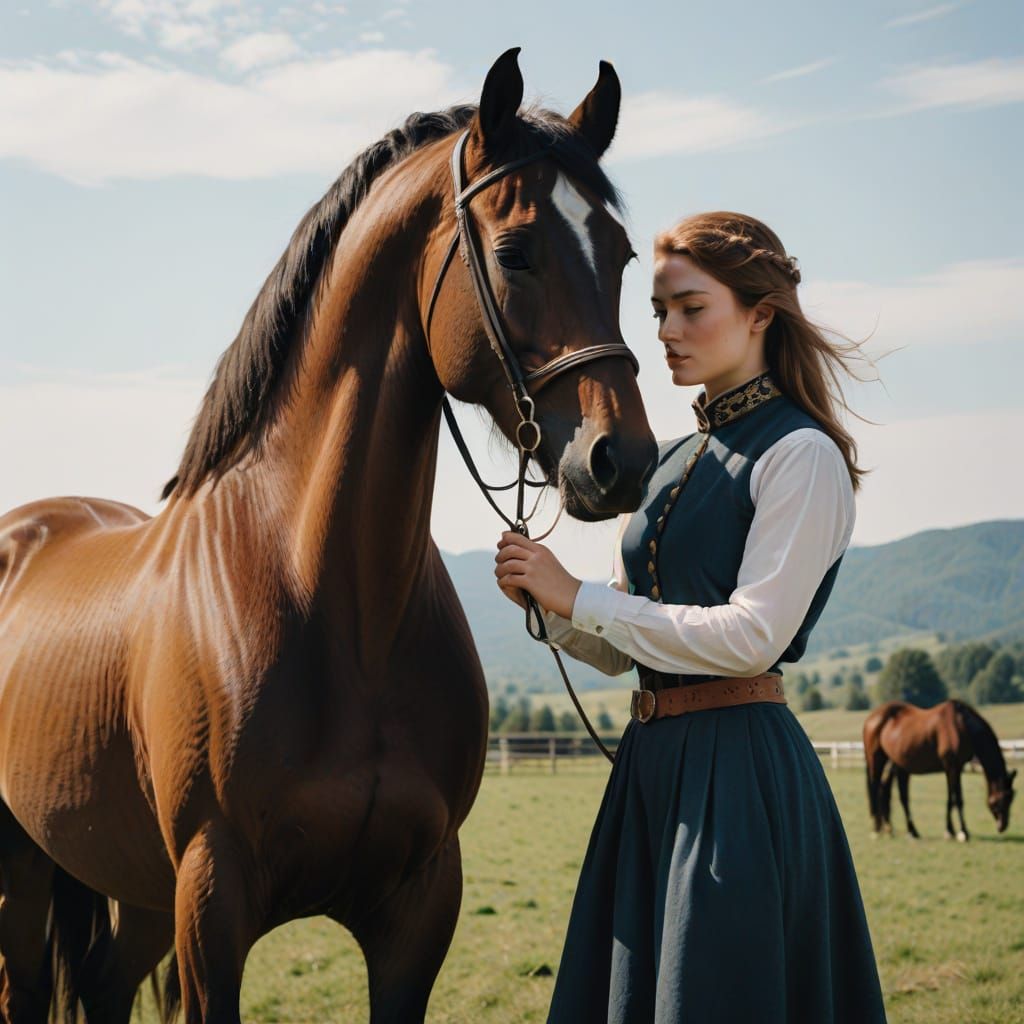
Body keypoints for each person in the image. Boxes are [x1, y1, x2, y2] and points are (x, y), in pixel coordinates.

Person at [494, 211, 888, 1023]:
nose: (667, 332)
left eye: (690, 308)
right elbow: (625, 647)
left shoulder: (801, 455)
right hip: (651, 770)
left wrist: (581, 598)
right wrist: (551, 609)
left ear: (759, 313)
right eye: (658, 312)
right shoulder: (672, 461)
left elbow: (751, 639)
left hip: (739, 775)